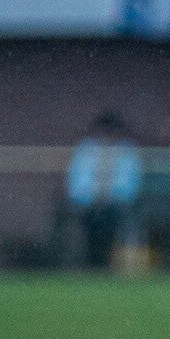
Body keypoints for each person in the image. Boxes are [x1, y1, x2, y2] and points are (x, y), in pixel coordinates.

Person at [65, 112, 143, 269]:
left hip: (118, 206)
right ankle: (88, 264)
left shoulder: (127, 151)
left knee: (113, 221)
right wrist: (93, 197)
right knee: (89, 223)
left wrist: (111, 196)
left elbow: (130, 184)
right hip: (88, 206)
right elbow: (77, 183)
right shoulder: (85, 150)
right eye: (104, 131)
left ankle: (112, 264)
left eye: (111, 131)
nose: (107, 135)